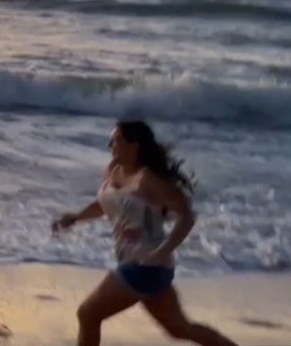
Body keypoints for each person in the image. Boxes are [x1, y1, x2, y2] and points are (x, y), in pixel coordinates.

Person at [52, 120, 238, 346]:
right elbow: (106, 204)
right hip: (141, 265)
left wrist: (163, 251)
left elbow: (186, 217)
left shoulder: (149, 179)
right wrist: (76, 217)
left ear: (134, 146)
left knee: (88, 313)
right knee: (179, 329)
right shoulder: (114, 171)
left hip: (145, 265)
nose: (109, 145)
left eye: (116, 140)